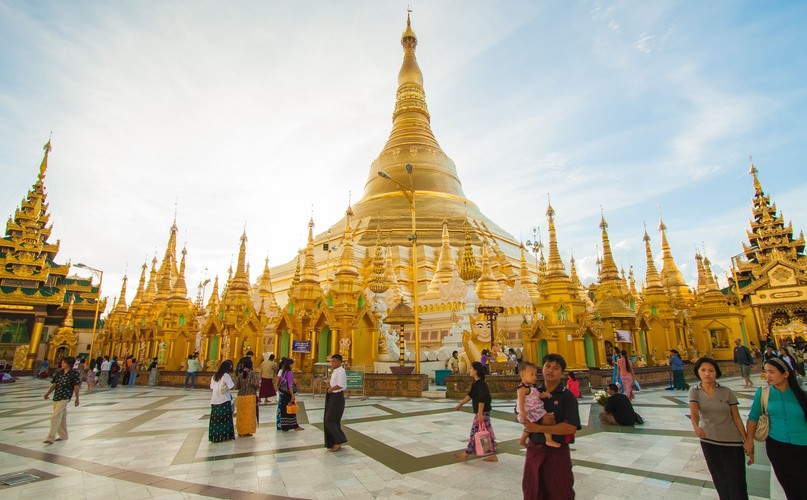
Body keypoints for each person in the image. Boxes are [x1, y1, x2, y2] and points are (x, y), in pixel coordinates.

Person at [745, 357, 807, 500]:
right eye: (766, 372)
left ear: (785, 374)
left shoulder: (801, 395)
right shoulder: (763, 393)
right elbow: (753, 417)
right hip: (778, 447)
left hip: (803, 446)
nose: (768, 376)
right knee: (789, 486)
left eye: (772, 372)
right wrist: (749, 441)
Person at [522, 354, 581, 499]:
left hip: (557, 451)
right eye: (547, 366)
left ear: (562, 372)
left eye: (555, 368)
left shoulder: (567, 397)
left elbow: (571, 427)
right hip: (535, 448)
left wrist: (540, 428)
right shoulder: (533, 392)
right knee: (532, 491)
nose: (550, 371)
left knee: (560, 492)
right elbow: (520, 412)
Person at [688, 357, 748, 500]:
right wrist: (696, 427)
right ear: (698, 372)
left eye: (710, 370)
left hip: (732, 441)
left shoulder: (726, 391)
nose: (707, 373)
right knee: (720, 478)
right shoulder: (694, 391)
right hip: (709, 440)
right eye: (703, 370)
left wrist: (746, 441)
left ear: (716, 373)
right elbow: (694, 413)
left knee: (737, 479)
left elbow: (737, 417)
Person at [454, 361, 497, 462]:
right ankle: (491, 452)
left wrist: (480, 414)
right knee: (486, 433)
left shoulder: (481, 384)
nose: (470, 370)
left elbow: (482, 399)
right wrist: (461, 404)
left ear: (476, 371)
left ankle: (466, 454)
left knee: (475, 433)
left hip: (482, 413)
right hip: (482, 412)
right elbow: (470, 395)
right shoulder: (477, 383)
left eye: (471, 368)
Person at [517, 361, 558, 448]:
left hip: (535, 409)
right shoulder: (522, 388)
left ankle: (522, 440)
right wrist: (522, 411)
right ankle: (548, 440)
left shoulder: (531, 387)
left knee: (531, 426)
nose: (535, 377)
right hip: (530, 411)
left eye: (535, 375)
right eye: (532, 375)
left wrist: (544, 395)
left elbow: (537, 395)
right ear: (522, 376)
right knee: (549, 419)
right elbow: (520, 400)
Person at [42, 356, 81, 444]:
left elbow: (76, 386)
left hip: (65, 396)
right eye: (62, 362)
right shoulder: (59, 373)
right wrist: (48, 393)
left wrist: (77, 398)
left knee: (55, 416)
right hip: (57, 396)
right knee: (62, 416)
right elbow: (54, 384)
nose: (62, 364)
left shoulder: (74, 373)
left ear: (69, 364)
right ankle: (63, 435)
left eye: (64, 362)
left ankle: (51, 437)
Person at [324, 353, 348, 451]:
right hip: (333, 396)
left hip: (337, 396)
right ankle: (335, 441)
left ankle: (338, 441)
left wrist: (331, 389)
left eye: (333, 361)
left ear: (339, 362)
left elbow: (340, 385)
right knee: (333, 419)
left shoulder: (340, 371)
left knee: (330, 420)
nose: (332, 363)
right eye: (331, 361)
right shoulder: (336, 371)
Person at [209, 360, 235, 442]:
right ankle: (225, 435)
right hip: (224, 399)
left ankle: (215, 436)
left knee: (215, 419)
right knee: (225, 419)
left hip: (214, 400)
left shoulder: (214, 376)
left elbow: (211, 387)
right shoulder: (226, 375)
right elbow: (231, 386)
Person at [234, 357, 260, 437]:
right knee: (249, 415)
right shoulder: (252, 374)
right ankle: (247, 431)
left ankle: (240, 431)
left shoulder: (240, 374)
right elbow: (256, 385)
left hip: (241, 397)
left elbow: (236, 387)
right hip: (250, 396)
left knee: (241, 415)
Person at [276, 358, 303, 431]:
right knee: (291, 408)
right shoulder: (289, 372)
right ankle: (295, 426)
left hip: (283, 393)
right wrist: (292, 395)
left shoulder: (283, 372)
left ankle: (285, 426)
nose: (293, 365)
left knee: (284, 409)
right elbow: (290, 385)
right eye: (292, 364)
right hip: (288, 393)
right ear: (289, 364)